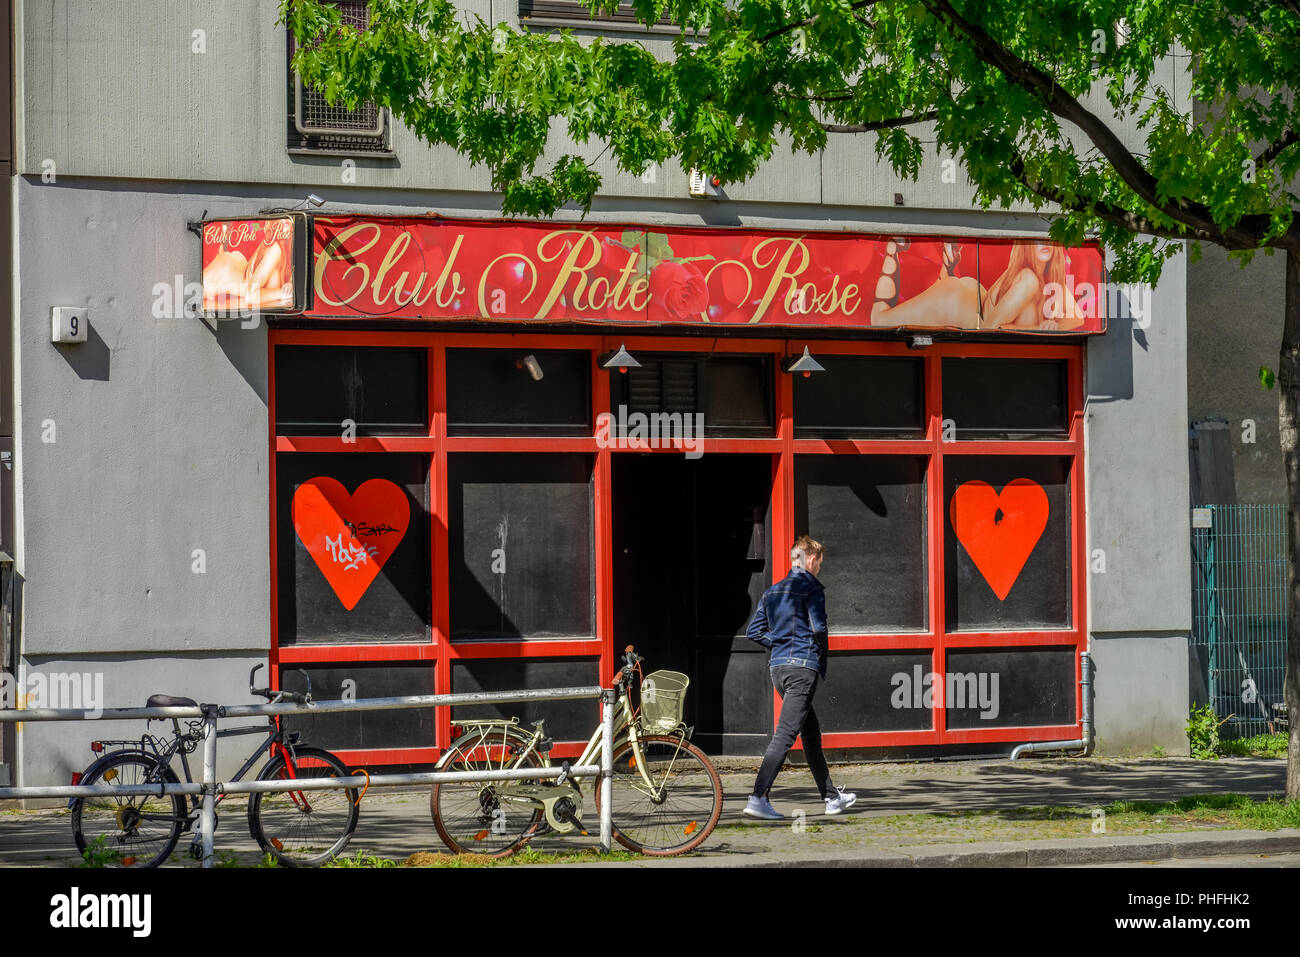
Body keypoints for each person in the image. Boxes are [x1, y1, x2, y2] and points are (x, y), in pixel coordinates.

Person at [743, 535, 856, 820]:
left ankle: (831, 798)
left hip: (778, 670)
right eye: (819, 563)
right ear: (811, 559)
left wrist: (780, 644)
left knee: (810, 732)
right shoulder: (812, 588)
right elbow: (819, 628)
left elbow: (754, 632)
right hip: (802, 670)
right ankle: (758, 796)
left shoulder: (772, 592)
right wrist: (819, 657)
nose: (819, 568)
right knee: (785, 735)